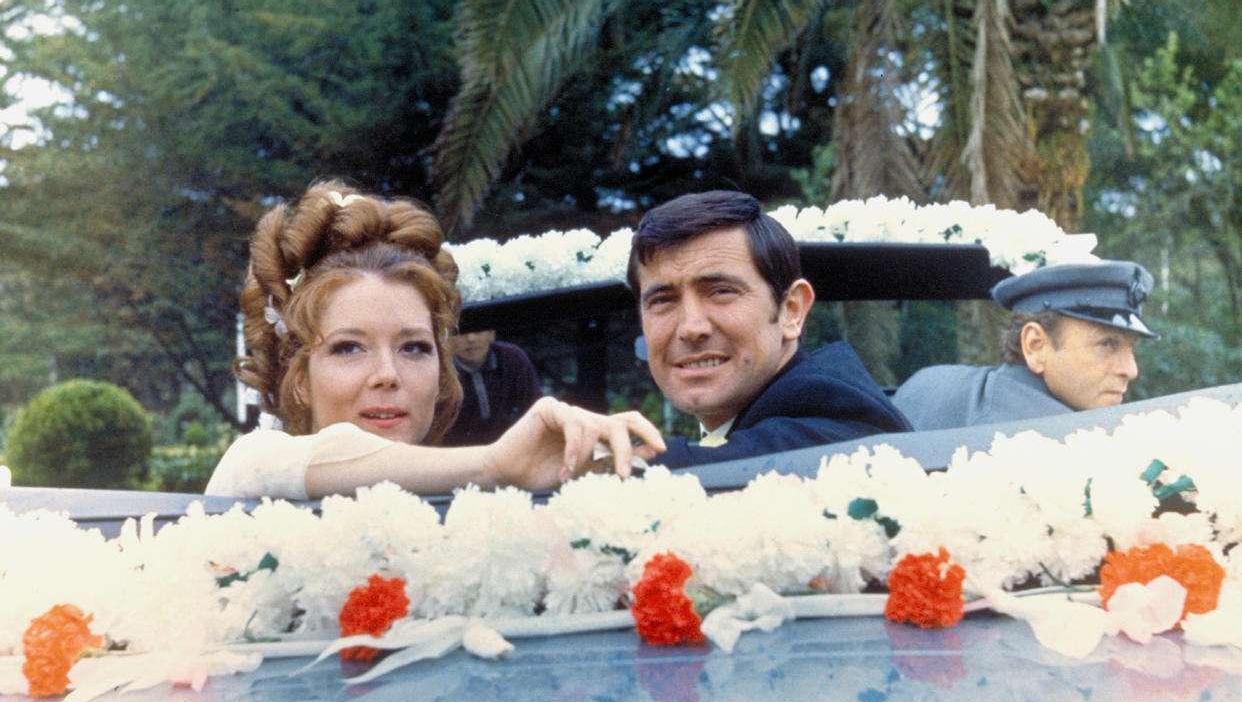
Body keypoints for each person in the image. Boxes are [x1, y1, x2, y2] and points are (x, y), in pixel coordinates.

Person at [206, 181, 663, 499]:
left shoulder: (478, 509)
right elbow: (316, 455)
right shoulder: (254, 464)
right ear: (299, 379)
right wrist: (495, 463)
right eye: (348, 347)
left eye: (414, 348)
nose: (388, 375)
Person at [626, 190, 911, 468]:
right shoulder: (743, 431)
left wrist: (596, 456)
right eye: (662, 300)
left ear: (791, 311)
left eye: (721, 292)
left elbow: (733, 465)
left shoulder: (840, 422)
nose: (691, 328)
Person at [892, 260, 1158, 430]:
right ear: (1035, 346)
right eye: (1107, 344)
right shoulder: (1053, 447)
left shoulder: (927, 382)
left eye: (1130, 347)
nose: (1130, 370)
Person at [441, 330, 543, 446]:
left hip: (512, 447)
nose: (471, 338)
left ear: (492, 334)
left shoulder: (512, 357)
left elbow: (535, 406)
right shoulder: (439, 370)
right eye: (461, 333)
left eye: (478, 331)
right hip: (459, 454)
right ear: (448, 338)